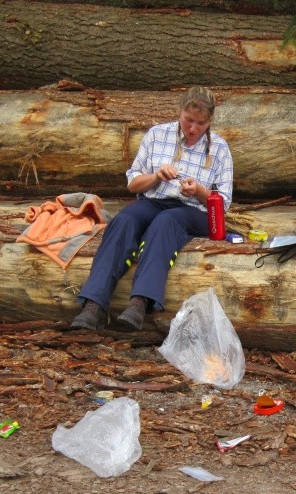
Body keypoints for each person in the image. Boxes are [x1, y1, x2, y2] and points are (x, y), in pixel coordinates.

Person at [71, 86, 233, 331]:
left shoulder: (219, 148)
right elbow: (133, 183)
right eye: (189, 120)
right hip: (152, 201)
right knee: (124, 220)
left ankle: (139, 303)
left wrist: (199, 190)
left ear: (209, 121)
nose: (193, 129)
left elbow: (223, 204)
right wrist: (156, 175)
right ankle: (93, 305)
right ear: (179, 112)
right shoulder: (158, 135)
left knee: (166, 221)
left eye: (201, 124)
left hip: (193, 212)